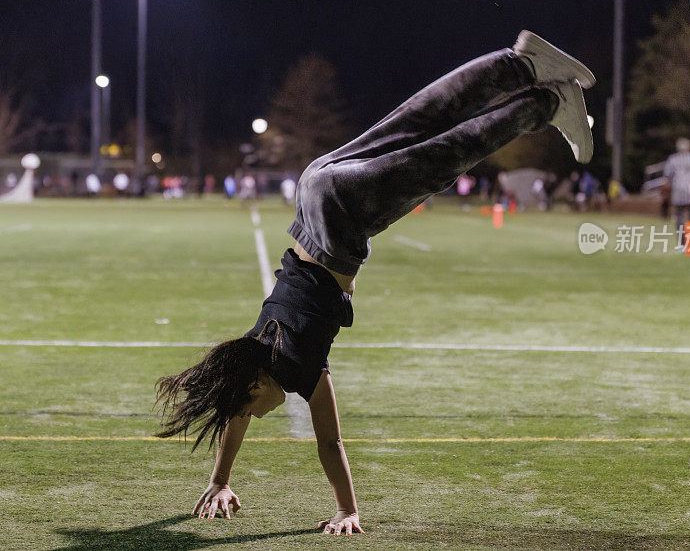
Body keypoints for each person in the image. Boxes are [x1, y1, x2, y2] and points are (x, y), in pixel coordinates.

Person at [154, 31, 596, 535]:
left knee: (449, 153)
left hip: (338, 225)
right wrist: (220, 479)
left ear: (255, 385)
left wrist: (347, 509)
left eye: (253, 407)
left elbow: (330, 444)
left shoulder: (295, 368)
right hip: (314, 190)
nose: (256, 416)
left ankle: (548, 101)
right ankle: (518, 63)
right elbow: (235, 409)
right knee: (418, 119)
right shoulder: (254, 347)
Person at [663, 138, 690, 242]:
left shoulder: (673, 159)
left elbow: (668, 176)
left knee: (680, 218)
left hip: (679, 191)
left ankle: (682, 244)